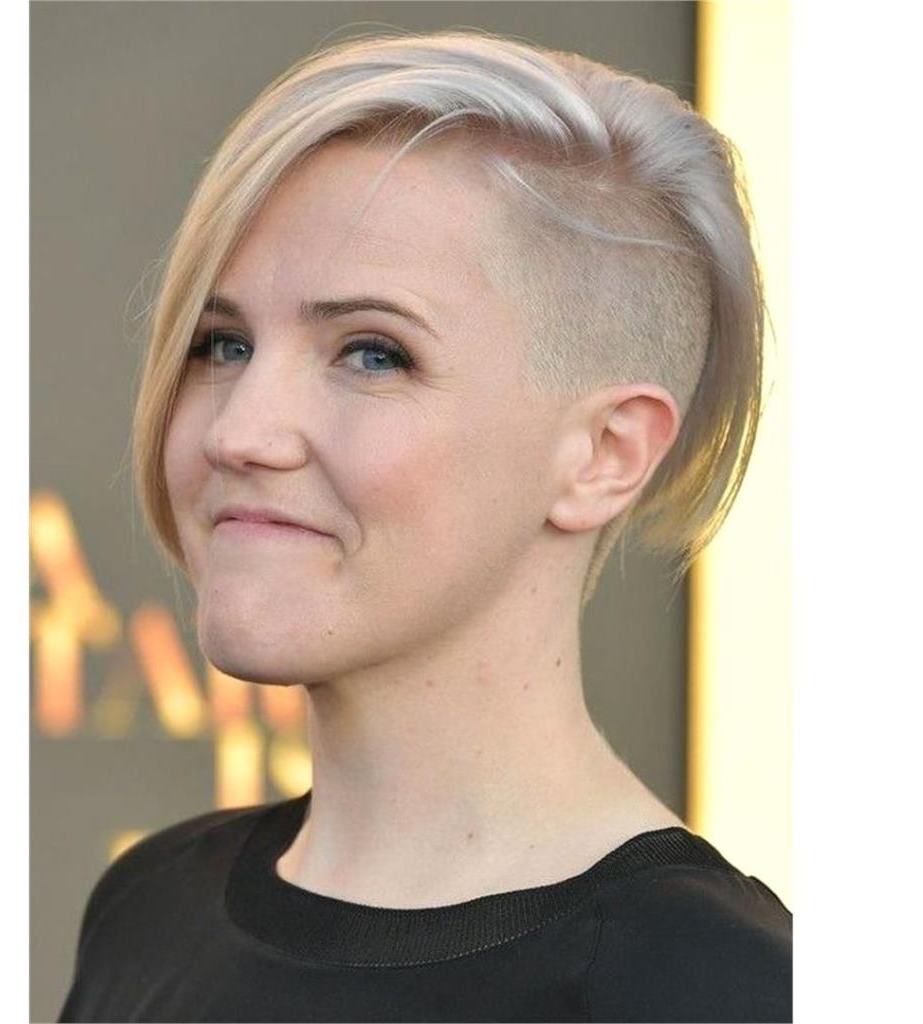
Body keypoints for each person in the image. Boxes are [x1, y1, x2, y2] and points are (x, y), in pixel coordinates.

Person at [59, 28, 791, 1024]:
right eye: (222, 344)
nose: (238, 432)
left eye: (373, 354)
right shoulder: (148, 911)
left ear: (606, 454)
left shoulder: (723, 991)